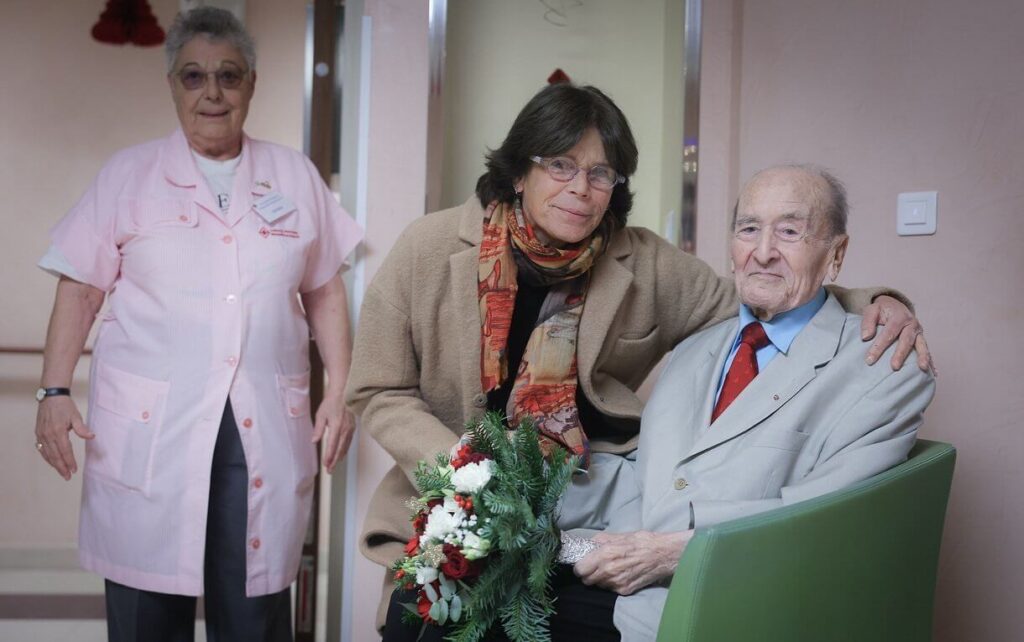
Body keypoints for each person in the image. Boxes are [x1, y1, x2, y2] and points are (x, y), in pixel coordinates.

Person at [345, 84, 930, 640]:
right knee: (423, 613)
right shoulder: (430, 247)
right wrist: (471, 475)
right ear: (520, 171)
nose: (580, 188)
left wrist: (876, 302)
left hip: (578, 499)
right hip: (448, 498)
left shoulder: (642, 261)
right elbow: (379, 389)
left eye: (600, 172)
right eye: (560, 165)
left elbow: (762, 289)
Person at [32, 7, 362, 641]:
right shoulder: (128, 175)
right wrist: (53, 391)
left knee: (253, 611)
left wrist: (341, 390)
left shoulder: (293, 175)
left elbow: (324, 290)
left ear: (252, 84)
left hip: (258, 422)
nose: (212, 93)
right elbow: (79, 291)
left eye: (228, 76)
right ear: (172, 86)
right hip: (149, 426)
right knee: (145, 612)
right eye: (193, 77)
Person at [566, 164, 936, 641]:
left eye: (789, 231)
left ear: (836, 254)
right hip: (619, 569)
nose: (763, 253)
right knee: (470, 591)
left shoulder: (885, 369)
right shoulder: (692, 351)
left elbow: (821, 522)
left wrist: (663, 553)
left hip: (728, 602)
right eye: (749, 229)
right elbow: (651, 479)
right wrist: (537, 501)